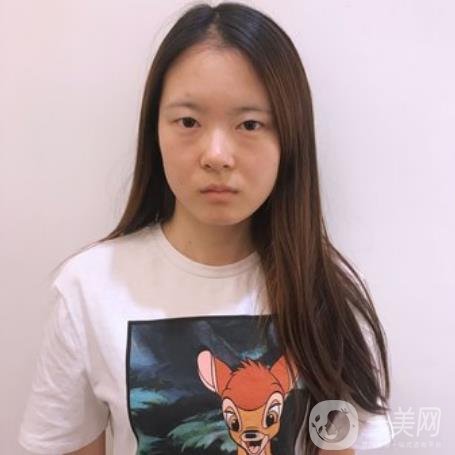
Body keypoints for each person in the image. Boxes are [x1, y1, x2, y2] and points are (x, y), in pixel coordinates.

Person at [18, 2, 394, 454]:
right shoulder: (88, 290)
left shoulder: (327, 296)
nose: (216, 155)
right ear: (155, 131)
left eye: (250, 124)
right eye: (189, 122)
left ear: (289, 138)